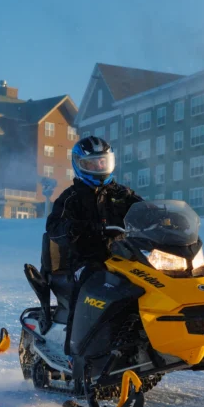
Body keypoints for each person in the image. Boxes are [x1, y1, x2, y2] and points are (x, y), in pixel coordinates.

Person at [46, 136, 142, 353]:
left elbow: (146, 213)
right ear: (79, 165)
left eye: (102, 162)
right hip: (85, 259)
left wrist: (164, 220)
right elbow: (54, 227)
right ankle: (74, 351)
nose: (98, 167)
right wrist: (73, 228)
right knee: (89, 287)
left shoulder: (122, 195)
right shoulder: (71, 198)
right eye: (92, 163)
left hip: (123, 257)